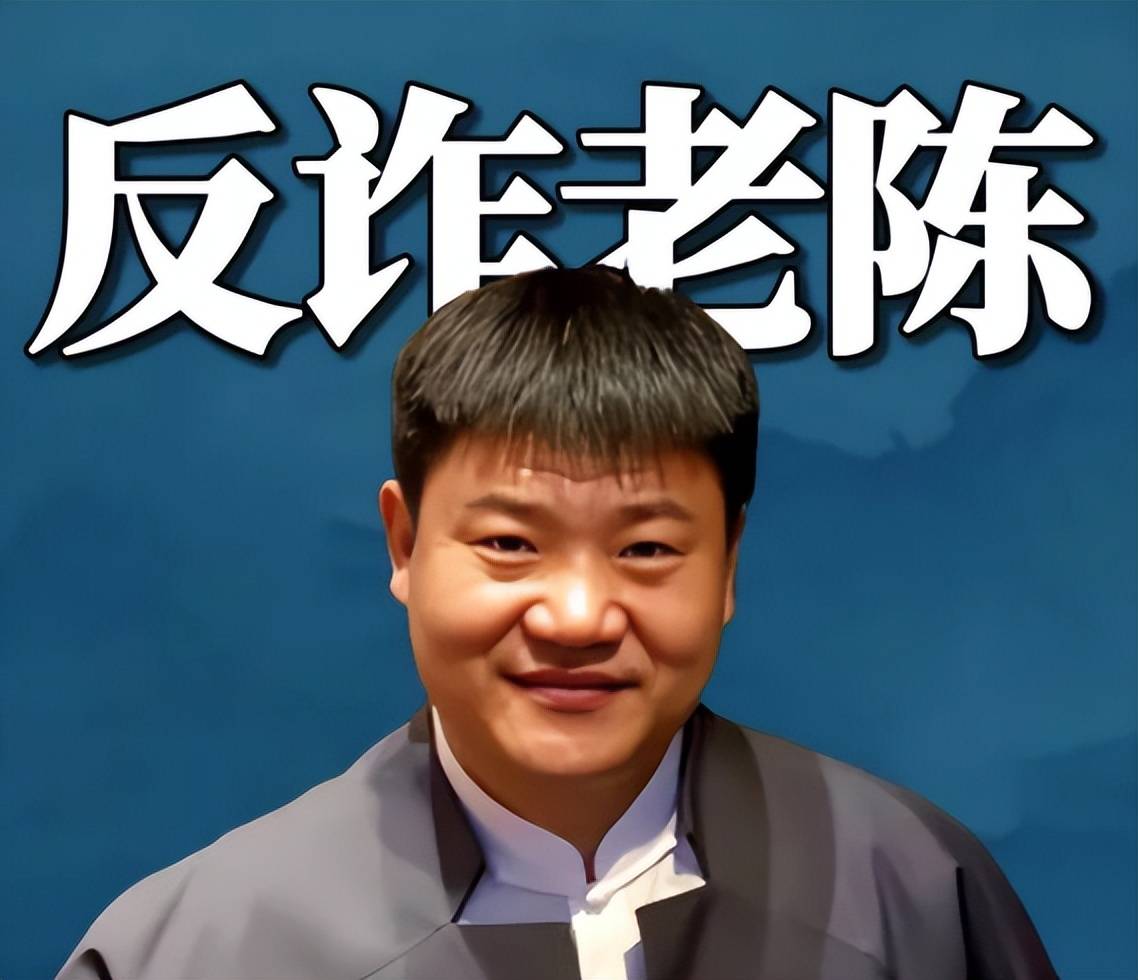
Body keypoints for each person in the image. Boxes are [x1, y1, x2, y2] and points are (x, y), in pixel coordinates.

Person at [57, 266, 1056, 980]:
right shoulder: (195, 947)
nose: (577, 616)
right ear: (403, 544)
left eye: (647, 549)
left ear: (728, 562)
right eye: (508, 543)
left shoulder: (909, 891)